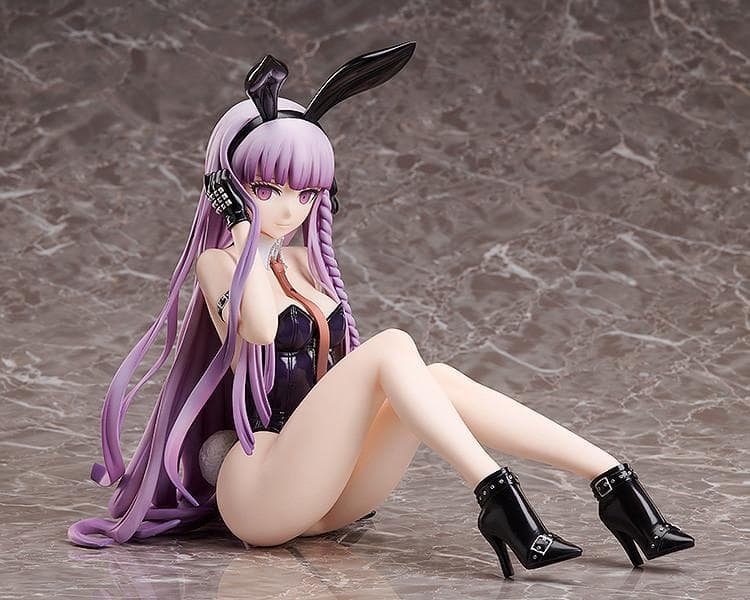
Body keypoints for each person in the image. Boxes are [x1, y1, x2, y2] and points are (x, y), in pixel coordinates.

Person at [68, 41, 694, 579]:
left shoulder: (306, 265)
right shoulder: (221, 264)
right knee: (393, 347)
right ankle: (498, 499)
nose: (288, 208)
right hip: (261, 489)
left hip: (328, 494)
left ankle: (613, 483)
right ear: (228, 188)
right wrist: (241, 231)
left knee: (434, 379)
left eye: (306, 192)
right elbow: (257, 327)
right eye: (265, 189)